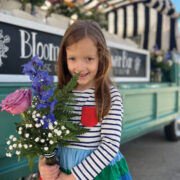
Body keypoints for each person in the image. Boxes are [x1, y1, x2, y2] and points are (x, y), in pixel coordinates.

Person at [39, 19, 133, 180]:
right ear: (64, 58)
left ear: (101, 58)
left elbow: (110, 146)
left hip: (95, 174)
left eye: (89, 59)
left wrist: (71, 178)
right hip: (60, 171)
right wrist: (43, 163)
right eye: (73, 58)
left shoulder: (109, 96)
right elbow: (48, 138)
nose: (80, 67)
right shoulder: (59, 95)